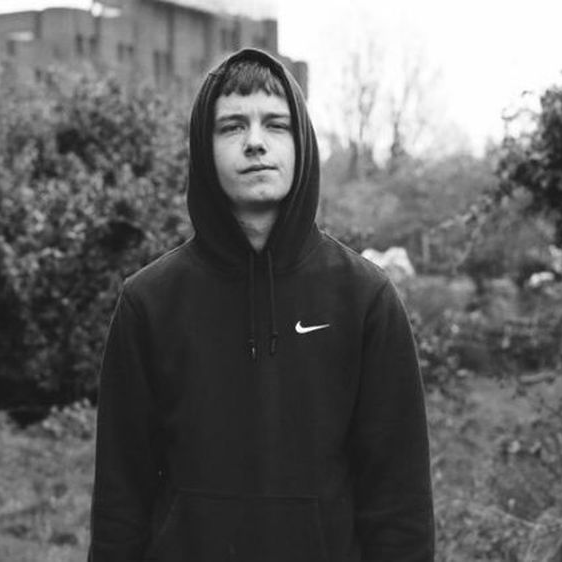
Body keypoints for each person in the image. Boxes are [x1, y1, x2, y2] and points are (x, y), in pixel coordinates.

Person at [89, 48, 434, 561]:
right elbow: (121, 500)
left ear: (302, 144)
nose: (255, 142)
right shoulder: (149, 303)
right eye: (232, 126)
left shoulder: (365, 299)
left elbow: (399, 503)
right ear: (204, 149)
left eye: (276, 124)